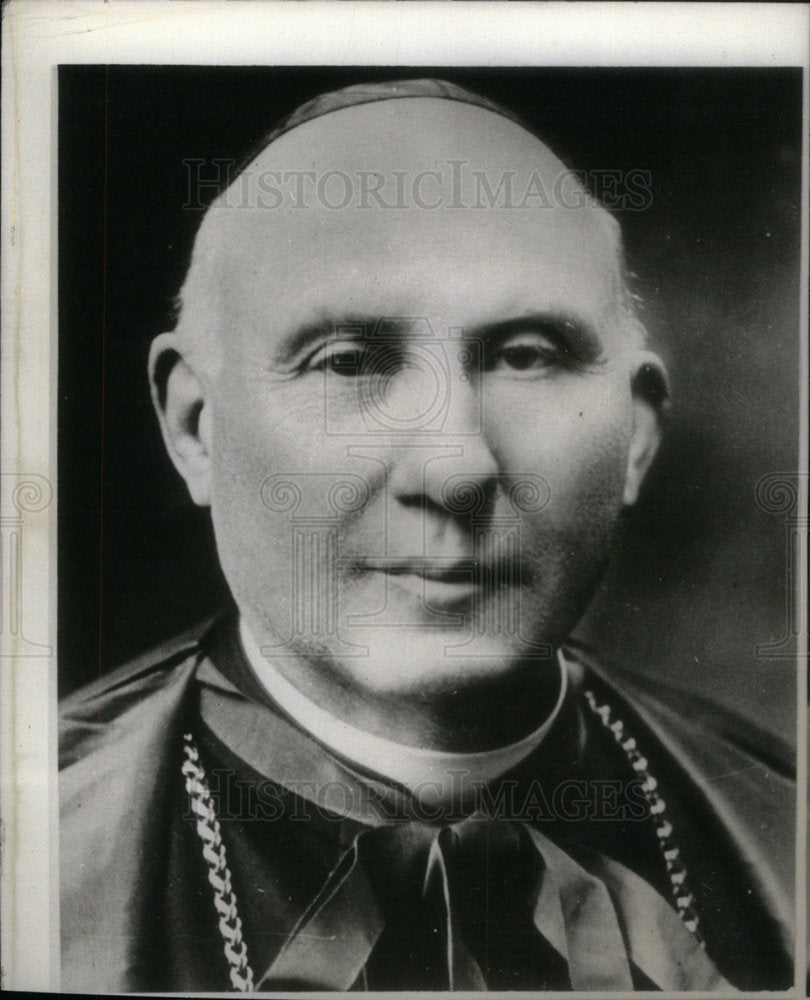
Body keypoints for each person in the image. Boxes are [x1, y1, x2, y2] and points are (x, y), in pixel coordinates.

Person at [59, 79, 794, 992]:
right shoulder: (37, 853)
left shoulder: (785, 834)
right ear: (196, 428)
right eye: (350, 361)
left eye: (527, 355)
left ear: (635, 435)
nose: (453, 468)